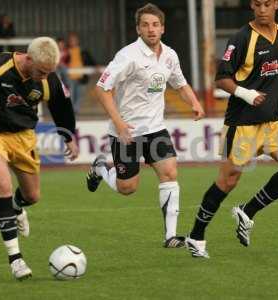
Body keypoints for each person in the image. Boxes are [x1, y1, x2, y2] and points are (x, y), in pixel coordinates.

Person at [185, 0, 278, 258]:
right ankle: (196, 236)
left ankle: (247, 212)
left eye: (267, 4)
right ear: (252, 6)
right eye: (257, 4)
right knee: (227, 181)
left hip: (272, 122)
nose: (262, 9)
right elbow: (221, 78)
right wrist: (246, 94)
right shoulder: (240, 38)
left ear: (276, 5)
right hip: (241, 124)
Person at [86, 3, 205, 248]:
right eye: (145, 25)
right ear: (138, 29)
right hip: (126, 131)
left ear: (162, 28)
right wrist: (119, 123)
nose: (151, 29)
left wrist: (194, 102)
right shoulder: (127, 56)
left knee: (170, 172)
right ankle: (100, 168)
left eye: (155, 25)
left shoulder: (170, 55)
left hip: (155, 129)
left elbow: (180, 83)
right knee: (127, 188)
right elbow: (101, 88)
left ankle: (170, 236)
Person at [0, 37, 79, 279]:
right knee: (3, 185)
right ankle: (16, 260)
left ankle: (17, 208)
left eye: (49, 72)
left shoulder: (48, 79)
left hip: (24, 137)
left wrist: (68, 135)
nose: (44, 77)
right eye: (41, 71)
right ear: (28, 58)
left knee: (32, 196)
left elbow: (62, 105)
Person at [67, 32, 96, 114]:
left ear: (77, 41)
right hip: (70, 76)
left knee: (79, 94)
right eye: (71, 40)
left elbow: (91, 61)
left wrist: (96, 67)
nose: (72, 42)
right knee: (71, 95)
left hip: (81, 76)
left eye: (74, 40)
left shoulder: (83, 51)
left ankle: (76, 110)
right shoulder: (66, 51)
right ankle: (70, 111)